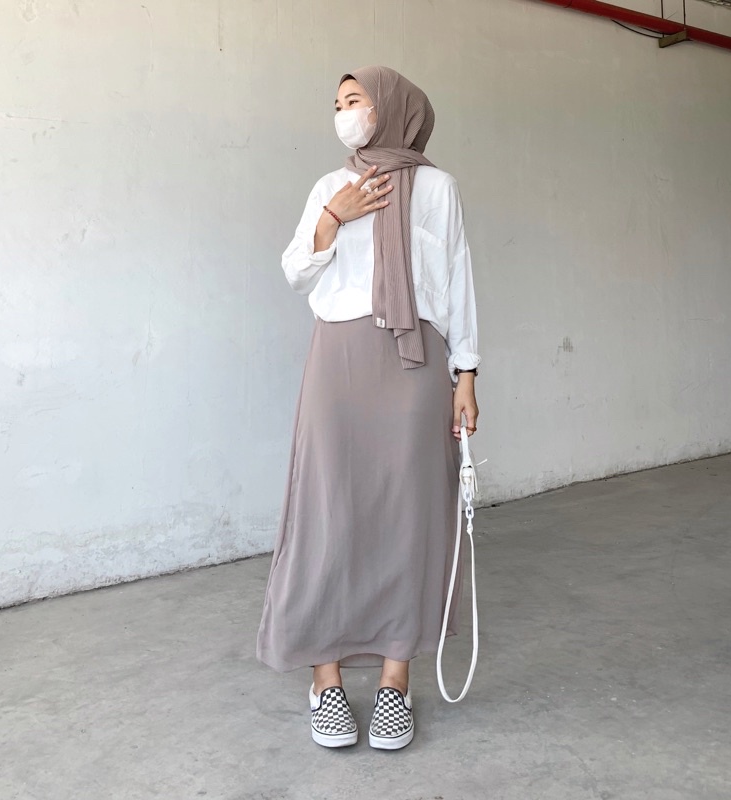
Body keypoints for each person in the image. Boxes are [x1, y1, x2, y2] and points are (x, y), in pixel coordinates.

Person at [255, 66, 480, 751]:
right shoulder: (331, 184)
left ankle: (394, 682)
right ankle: (324, 680)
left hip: (415, 365)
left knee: (409, 516)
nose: (343, 112)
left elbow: (458, 280)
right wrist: (335, 216)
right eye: (337, 103)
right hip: (340, 361)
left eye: (354, 100)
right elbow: (295, 272)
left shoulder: (438, 190)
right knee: (328, 512)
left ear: (391, 107)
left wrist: (466, 373)